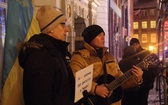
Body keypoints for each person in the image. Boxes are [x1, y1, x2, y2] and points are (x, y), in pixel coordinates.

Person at [70, 25, 143, 105]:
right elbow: (75, 79)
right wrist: (95, 89)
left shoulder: (109, 57)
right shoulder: (79, 57)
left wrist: (136, 79)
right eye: (99, 35)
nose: (103, 38)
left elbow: (120, 81)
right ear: (90, 39)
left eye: (103, 35)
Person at [17, 5, 75, 105]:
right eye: (62, 25)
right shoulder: (40, 56)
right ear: (51, 28)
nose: (67, 30)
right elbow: (39, 97)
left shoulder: (56, 51)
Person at [119, 38, 158, 105]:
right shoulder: (133, 61)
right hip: (139, 87)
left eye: (135, 44)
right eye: (133, 45)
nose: (134, 46)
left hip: (142, 85)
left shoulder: (121, 62)